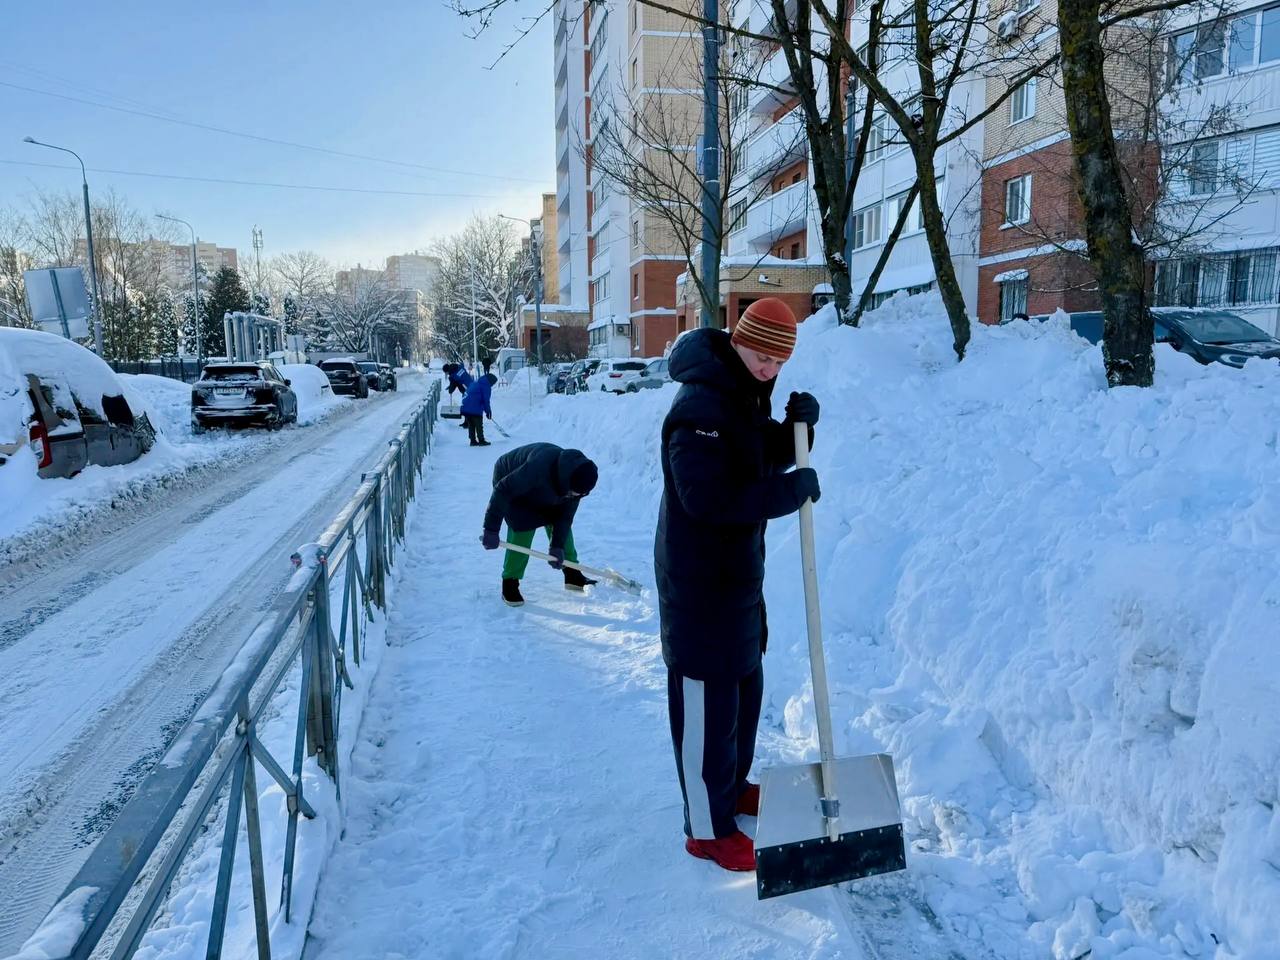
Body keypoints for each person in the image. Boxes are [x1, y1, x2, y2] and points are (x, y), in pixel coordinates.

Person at [654, 297, 821, 874]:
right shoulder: (700, 403)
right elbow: (706, 497)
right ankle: (706, 828)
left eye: (779, 363)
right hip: (699, 586)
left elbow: (754, 457)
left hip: (738, 580)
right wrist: (785, 494)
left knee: (743, 694)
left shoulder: (743, 392)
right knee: (706, 707)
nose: (769, 370)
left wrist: (797, 432)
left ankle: (729, 788)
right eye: (760, 356)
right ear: (736, 341)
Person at [480, 443, 601, 606]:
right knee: (522, 526)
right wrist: (491, 529)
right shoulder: (536, 469)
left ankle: (572, 573)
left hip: (547, 488)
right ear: (568, 482)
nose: (577, 496)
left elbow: (564, 519)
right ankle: (510, 582)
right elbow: (503, 490)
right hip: (509, 479)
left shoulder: (576, 482)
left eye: (581, 494)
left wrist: (556, 547)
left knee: (561, 524)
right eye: (575, 493)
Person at [461, 372, 497, 446]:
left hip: (466, 407)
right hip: (475, 408)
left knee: (471, 424)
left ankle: (472, 441)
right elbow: (486, 400)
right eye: (493, 383)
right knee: (478, 425)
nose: (492, 385)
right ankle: (481, 440)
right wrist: (488, 412)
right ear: (491, 381)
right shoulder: (486, 386)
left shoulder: (476, 382)